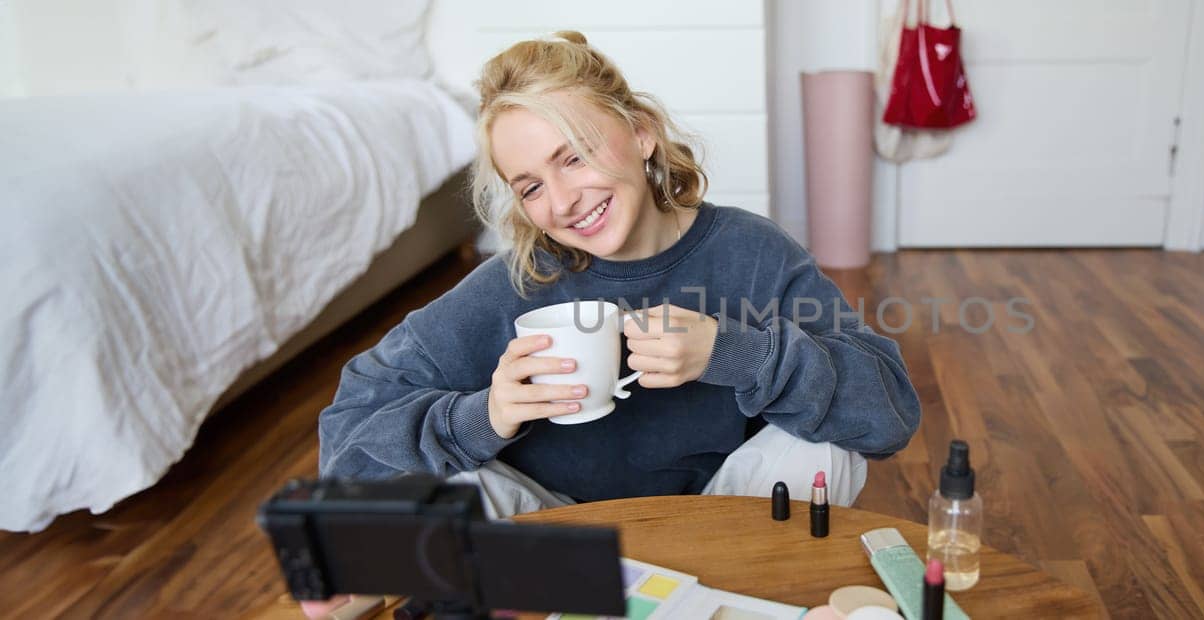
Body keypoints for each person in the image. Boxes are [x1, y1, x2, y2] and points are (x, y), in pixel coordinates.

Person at [316, 31, 921, 519]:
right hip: (559, 537)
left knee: (825, 446)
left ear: (641, 133)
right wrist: (484, 416)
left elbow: (889, 413)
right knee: (451, 484)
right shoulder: (515, 283)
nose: (561, 201)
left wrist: (736, 352)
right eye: (529, 186)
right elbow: (346, 445)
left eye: (573, 156)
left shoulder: (753, 252)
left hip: (723, 519)